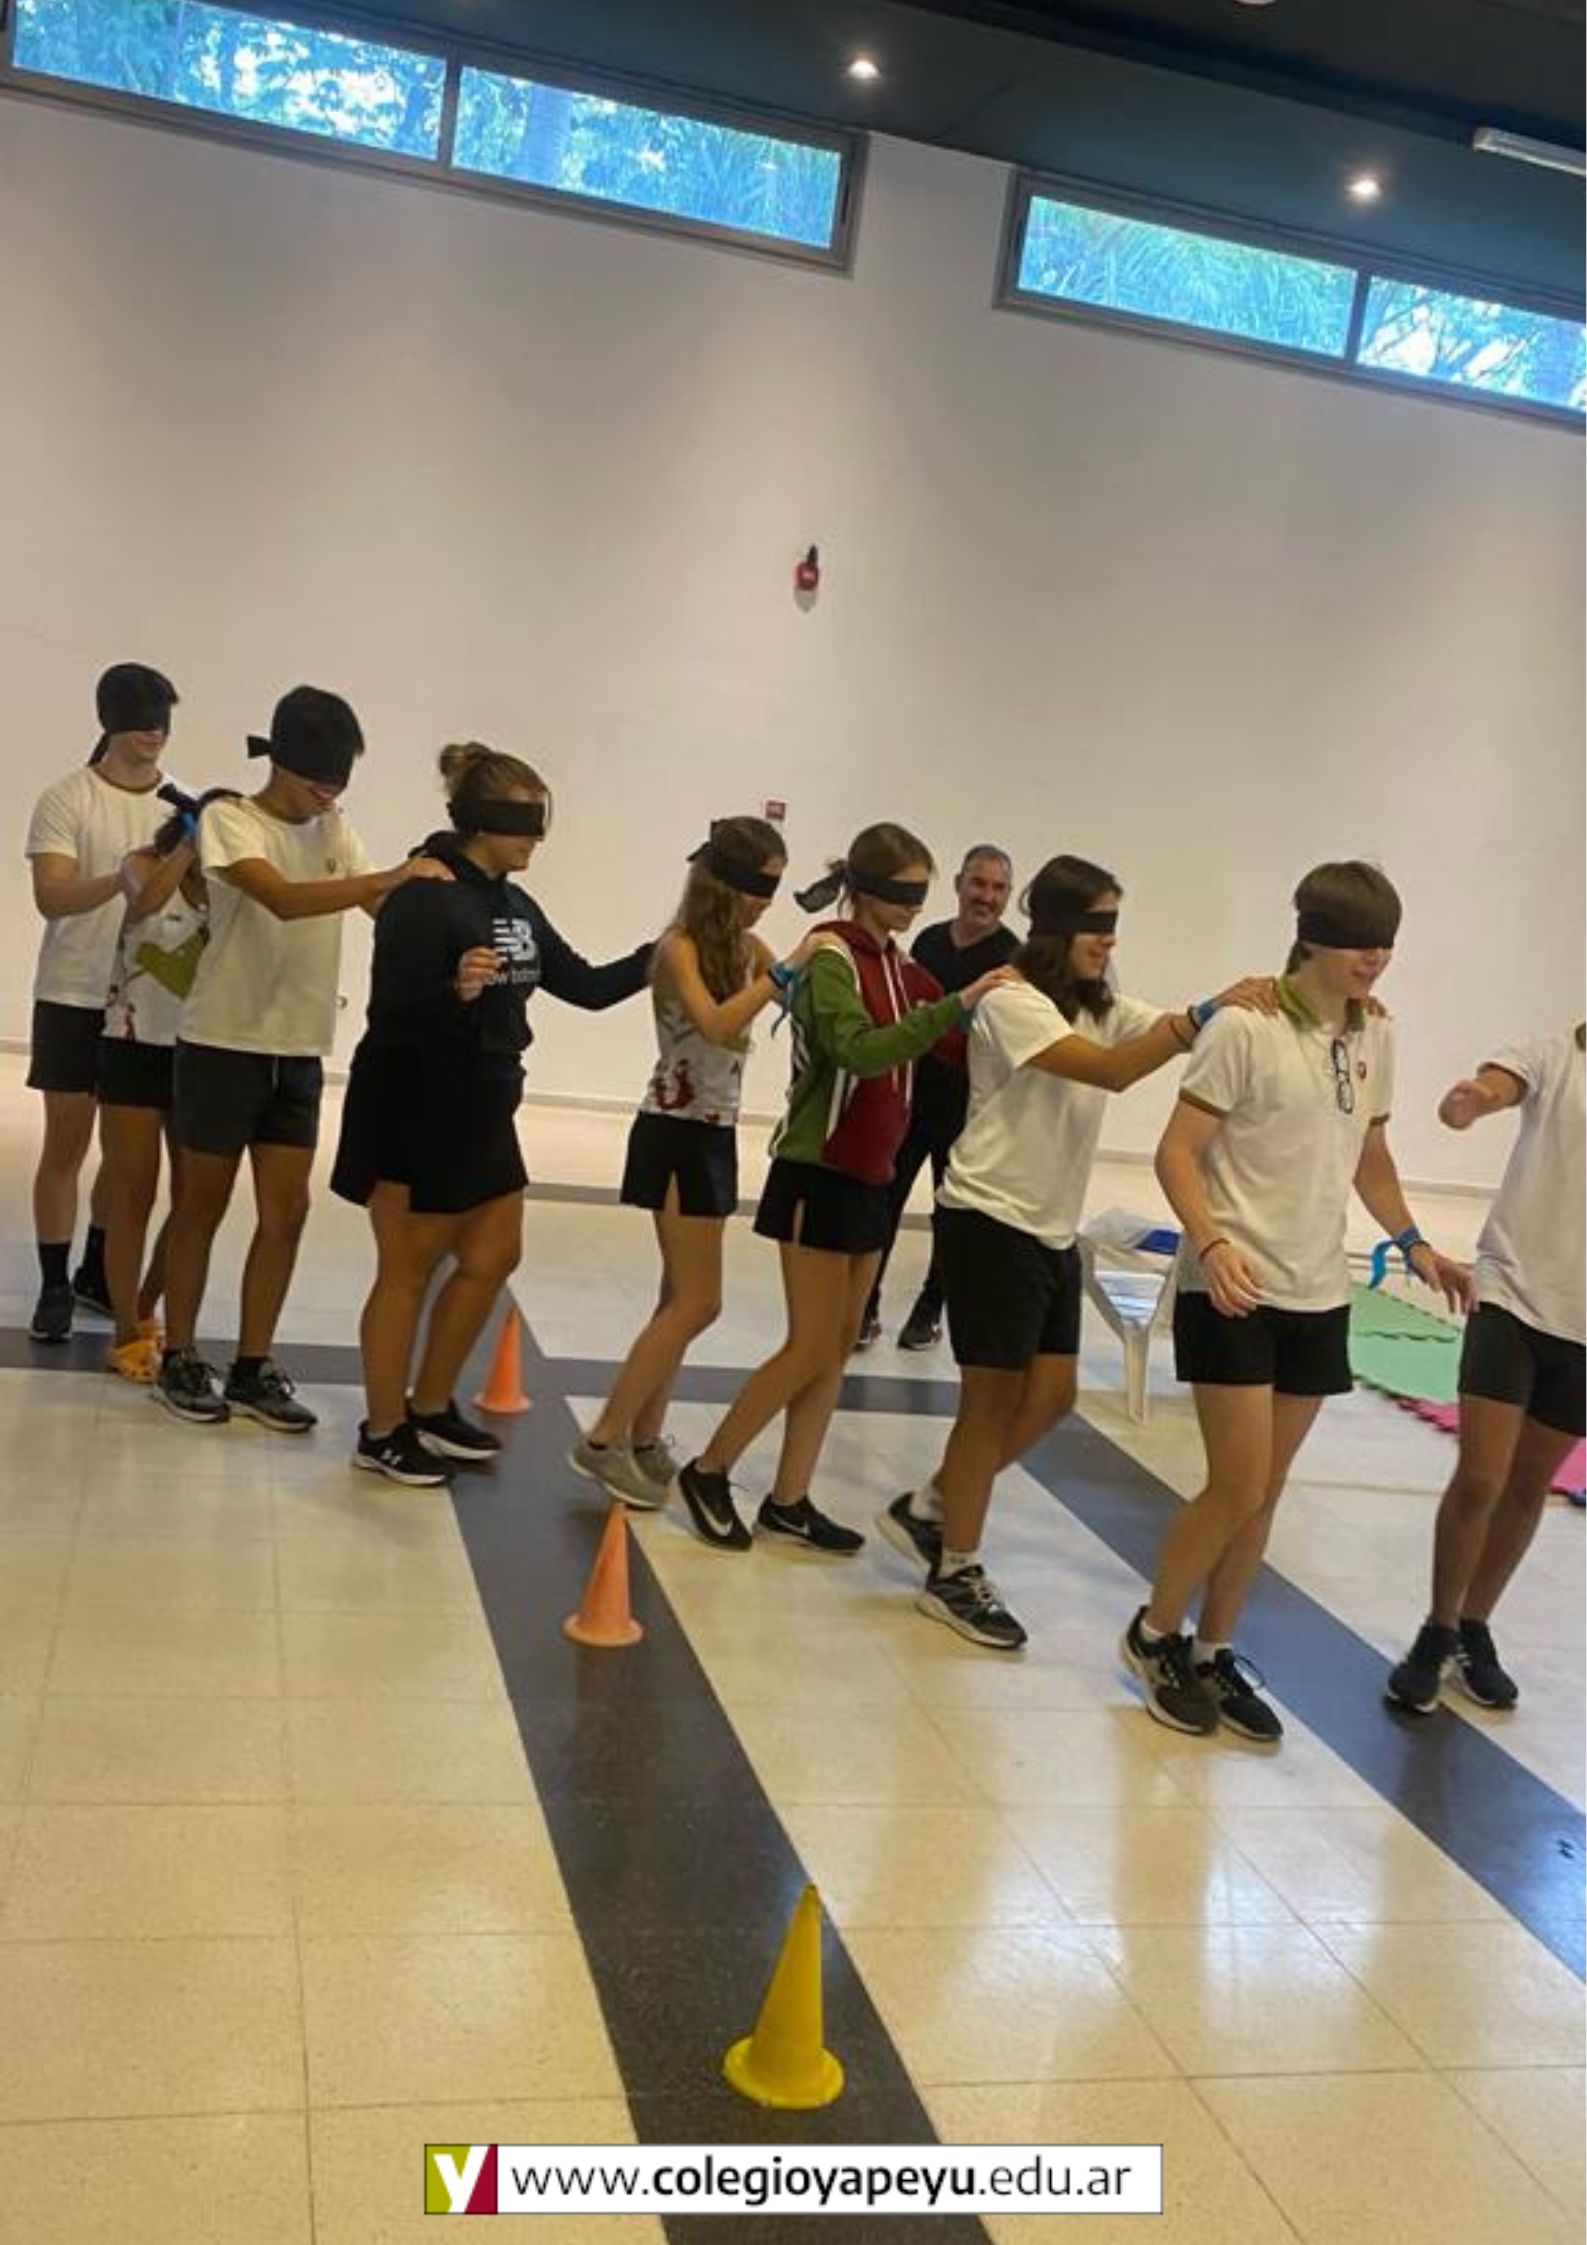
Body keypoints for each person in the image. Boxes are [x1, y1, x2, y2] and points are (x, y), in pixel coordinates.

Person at [881, 854, 1274, 1650]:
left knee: (1052, 1396)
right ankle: (953, 1568)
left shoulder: (1097, 1004)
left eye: (1113, 925)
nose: (1108, 940)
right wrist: (1198, 1014)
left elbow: (1166, 1027)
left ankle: (933, 1504)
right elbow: (1109, 1071)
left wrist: (1263, 1009)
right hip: (988, 1217)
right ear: (1057, 927)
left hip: (1049, 1227)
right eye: (1096, 925)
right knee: (989, 1404)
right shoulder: (1012, 999)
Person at [1124, 861, 1468, 1745]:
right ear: (1312, 938)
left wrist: (1414, 1242)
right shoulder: (1244, 1026)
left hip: (1318, 1290)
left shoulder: (1374, 1032)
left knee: (1265, 1491)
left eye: (1385, 944)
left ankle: (1213, 1648)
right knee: (1235, 1482)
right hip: (1232, 1285)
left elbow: (1369, 1157)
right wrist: (1210, 1242)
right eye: (1359, 943)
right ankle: (1154, 1633)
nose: (1375, 960)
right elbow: (1174, 1152)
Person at [670, 823, 1014, 1554]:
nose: (914, 906)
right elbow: (858, 1049)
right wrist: (953, 1006)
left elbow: (950, 1034)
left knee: (831, 1354)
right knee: (807, 1345)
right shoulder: (831, 955)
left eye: (920, 893)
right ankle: (709, 1468)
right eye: (902, 892)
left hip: (871, 1174)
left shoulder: (895, 962)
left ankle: (789, 1498)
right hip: (817, 1171)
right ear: (865, 886)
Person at [332, 744, 653, 1485]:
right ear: (479, 820)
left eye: (540, 823)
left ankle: (430, 1404)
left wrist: (661, 954)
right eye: (522, 823)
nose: (535, 839)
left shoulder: (514, 903)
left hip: (483, 1105)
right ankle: (381, 1430)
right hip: (414, 1103)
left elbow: (587, 986)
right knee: (406, 1271)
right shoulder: (425, 894)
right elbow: (391, 1016)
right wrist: (456, 992)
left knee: (492, 1256)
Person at [156, 686, 449, 1429]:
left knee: (287, 1212)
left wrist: (443, 909)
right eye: (319, 778)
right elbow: (282, 898)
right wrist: (391, 875)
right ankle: (178, 1354)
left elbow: (380, 907)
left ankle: (252, 1364)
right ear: (280, 760)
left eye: (339, 780)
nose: (329, 793)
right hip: (222, 1043)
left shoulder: (334, 828)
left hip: (299, 1047)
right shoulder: (230, 820)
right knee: (201, 1205)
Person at [570, 818, 819, 1507]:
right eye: (758, 888)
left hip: (713, 1132)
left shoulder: (749, 949)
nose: (765, 903)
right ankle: (602, 1439)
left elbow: (797, 1001)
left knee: (676, 1298)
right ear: (724, 884)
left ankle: (645, 1438)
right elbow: (714, 1023)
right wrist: (784, 970)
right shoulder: (676, 948)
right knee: (700, 1302)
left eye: (774, 890)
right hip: (673, 1131)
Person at [1385, 1024, 1584, 1715]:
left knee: (1529, 1485)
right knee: (1480, 1477)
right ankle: (1437, 1628)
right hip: (1509, 1294)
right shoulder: (1556, 1055)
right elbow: (1500, 1083)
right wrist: (1473, 1099)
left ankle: (1474, 1625)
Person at [25, 662, 181, 1342]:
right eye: (141, 717)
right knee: (66, 1140)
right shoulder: (68, 798)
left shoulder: (181, 808)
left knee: (127, 1151)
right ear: (111, 721)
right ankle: (53, 1281)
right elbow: (50, 896)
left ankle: (96, 1264)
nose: (153, 731)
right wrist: (119, 881)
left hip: (146, 1001)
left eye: (162, 719)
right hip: (72, 990)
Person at [97, 784, 237, 1381]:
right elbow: (147, 904)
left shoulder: (233, 888)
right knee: (133, 1192)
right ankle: (123, 1330)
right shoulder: (143, 863)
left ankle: (148, 1306)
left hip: (201, 1052)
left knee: (192, 1199)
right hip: (131, 1046)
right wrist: (187, 847)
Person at [857, 844, 1017, 1352]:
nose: (986, 896)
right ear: (959, 885)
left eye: (997, 888)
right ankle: (865, 1306)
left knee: (952, 1218)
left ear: (1008, 896)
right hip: (909, 1104)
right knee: (883, 1206)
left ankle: (929, 1311)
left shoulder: (1013, 960)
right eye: (978, 883)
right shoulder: (928, 940)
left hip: (970, 1115)